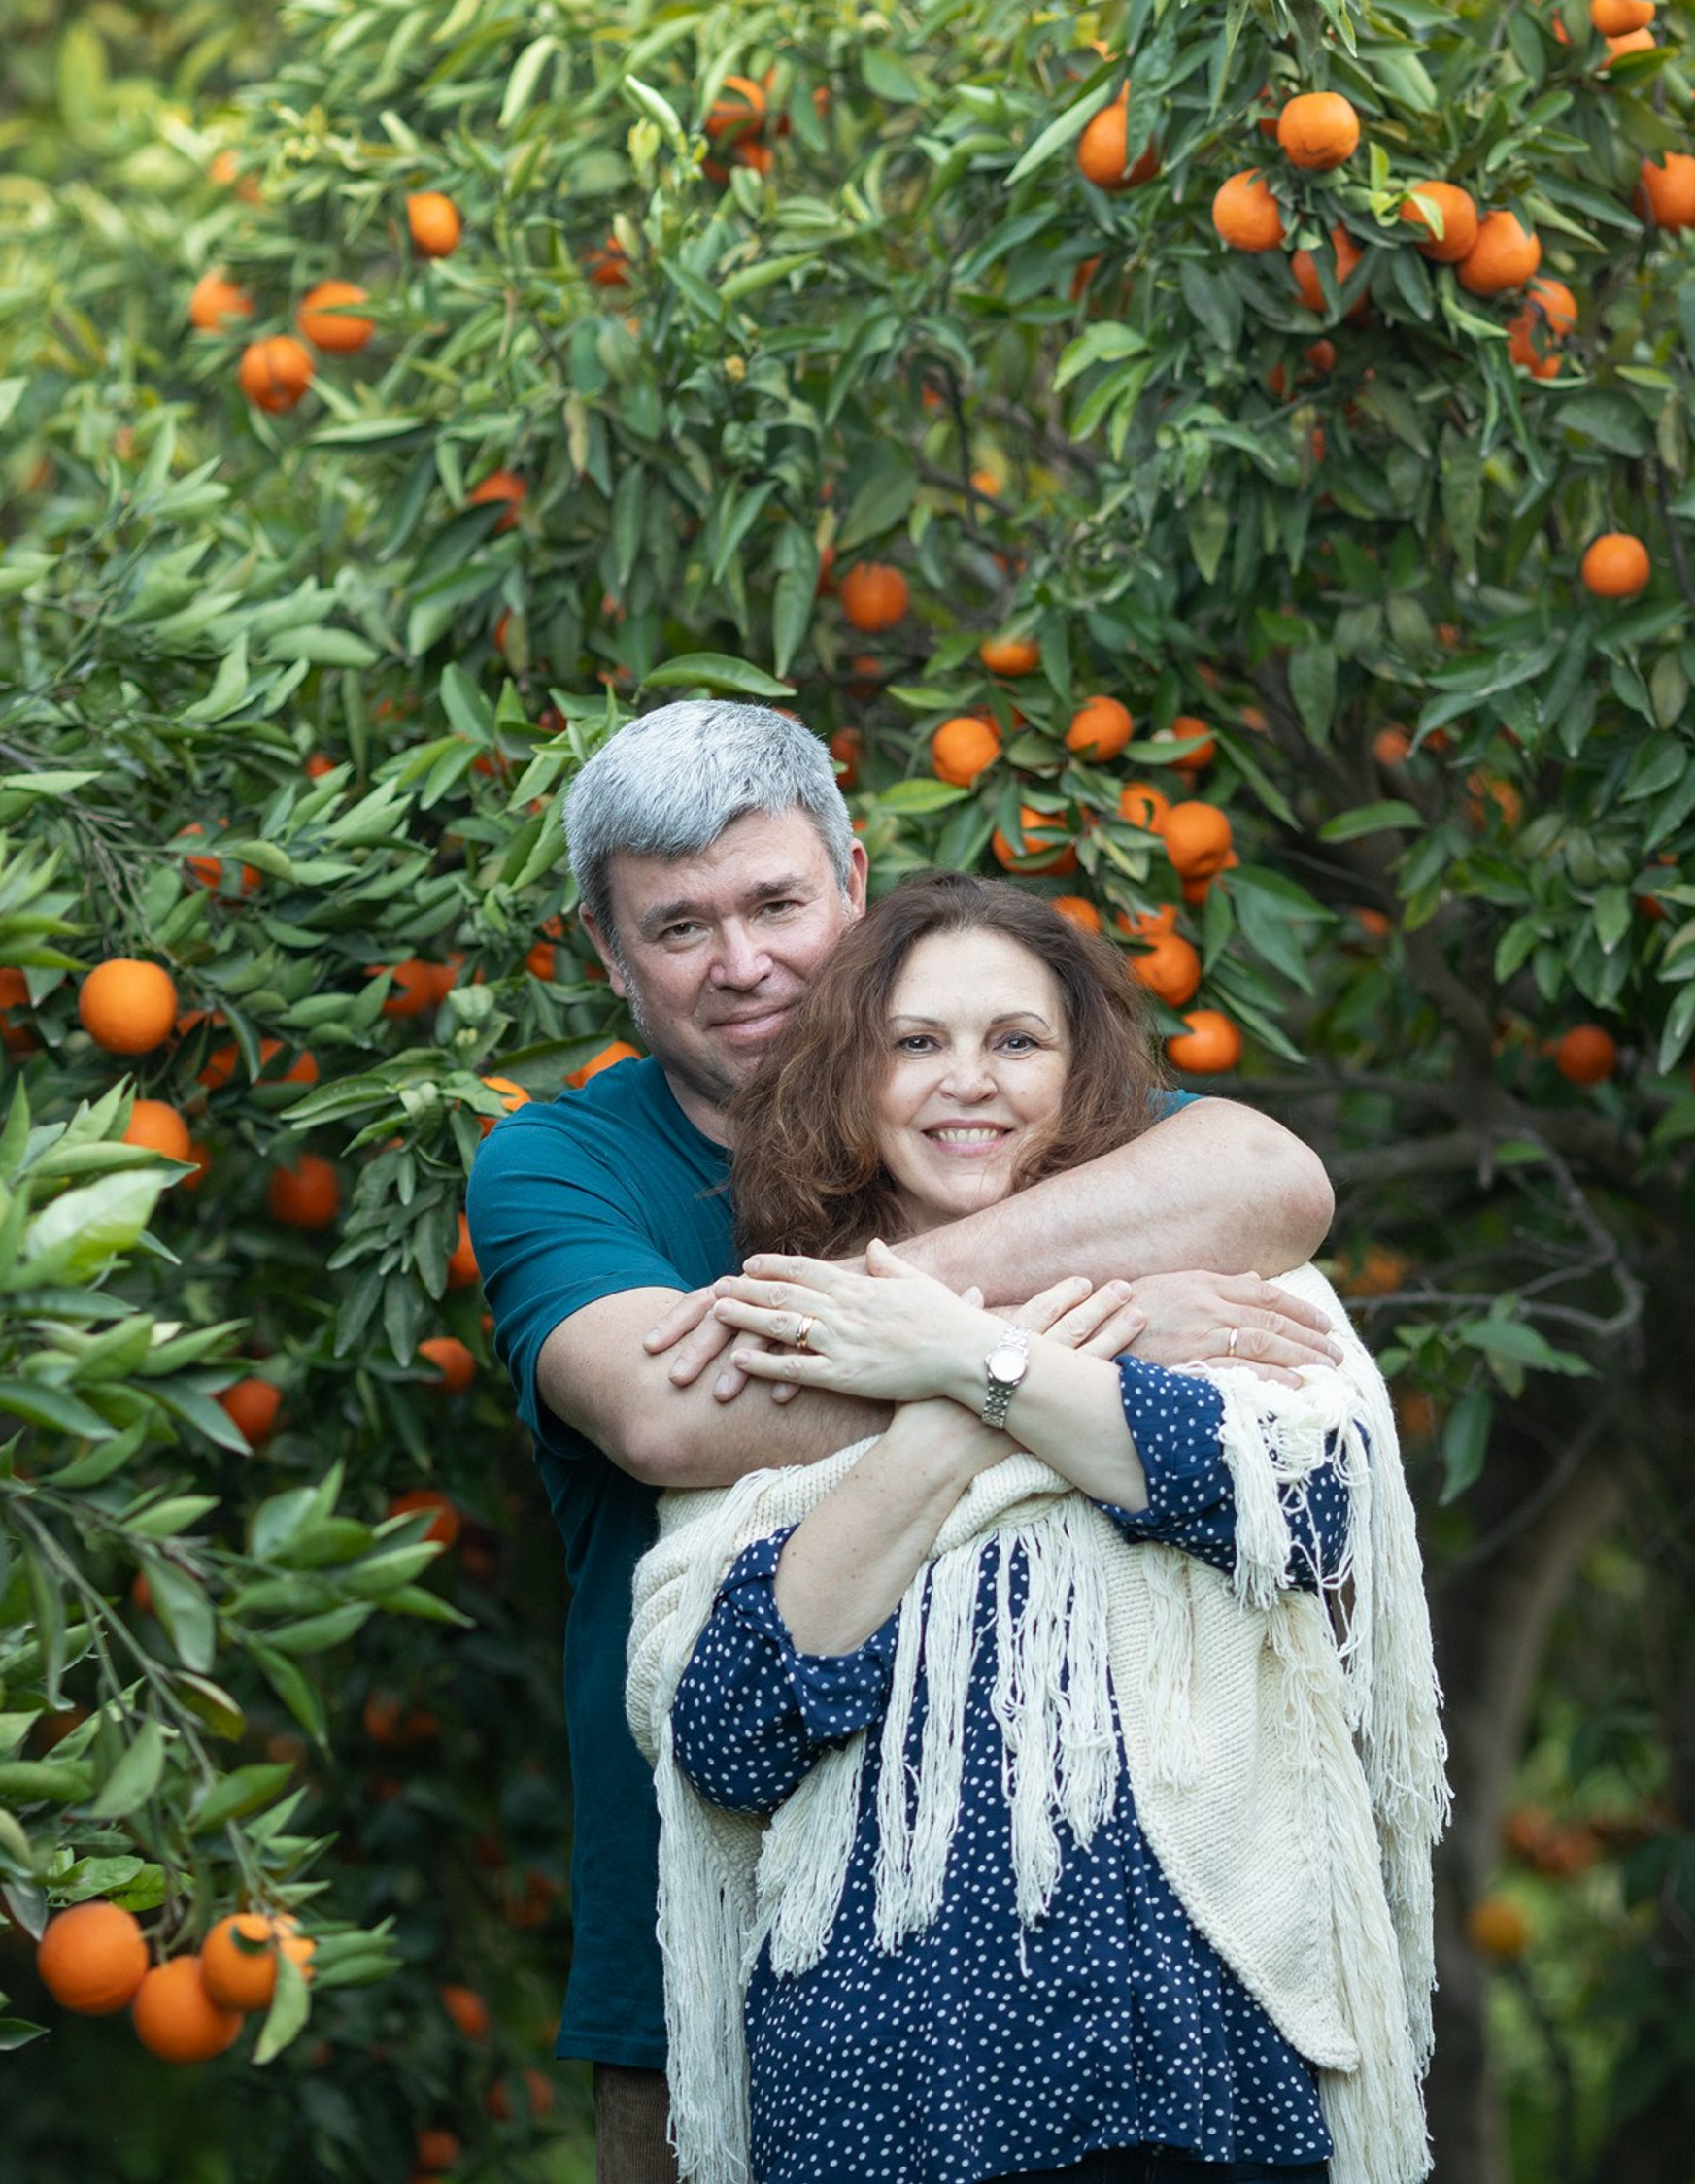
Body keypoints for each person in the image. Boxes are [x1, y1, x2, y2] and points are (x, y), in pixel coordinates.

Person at [468, 702, 1344, 2184]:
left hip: (1107, 1966)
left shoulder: (1020, 1108)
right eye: (678, 927)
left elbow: (1274, 1176)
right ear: (609, 956)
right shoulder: (562, 1163)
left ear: (853, 882)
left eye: (776, 903)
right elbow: (672, 1413)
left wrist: (939, 1337)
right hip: (711, 1934)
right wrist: (1063, 1337)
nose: (741, 963)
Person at [625, 872, 1446, 2184]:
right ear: (850, 1072)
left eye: (1016, 1042)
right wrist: (959, 1416)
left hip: (1187, 2054)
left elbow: (1296, 1508)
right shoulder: (792, 1349)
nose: (970, 1083)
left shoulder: (1235, 1298)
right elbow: (729, 1726)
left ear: (1081, 1076)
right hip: (881, 2087)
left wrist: (970, 1355)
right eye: (917, 1044)